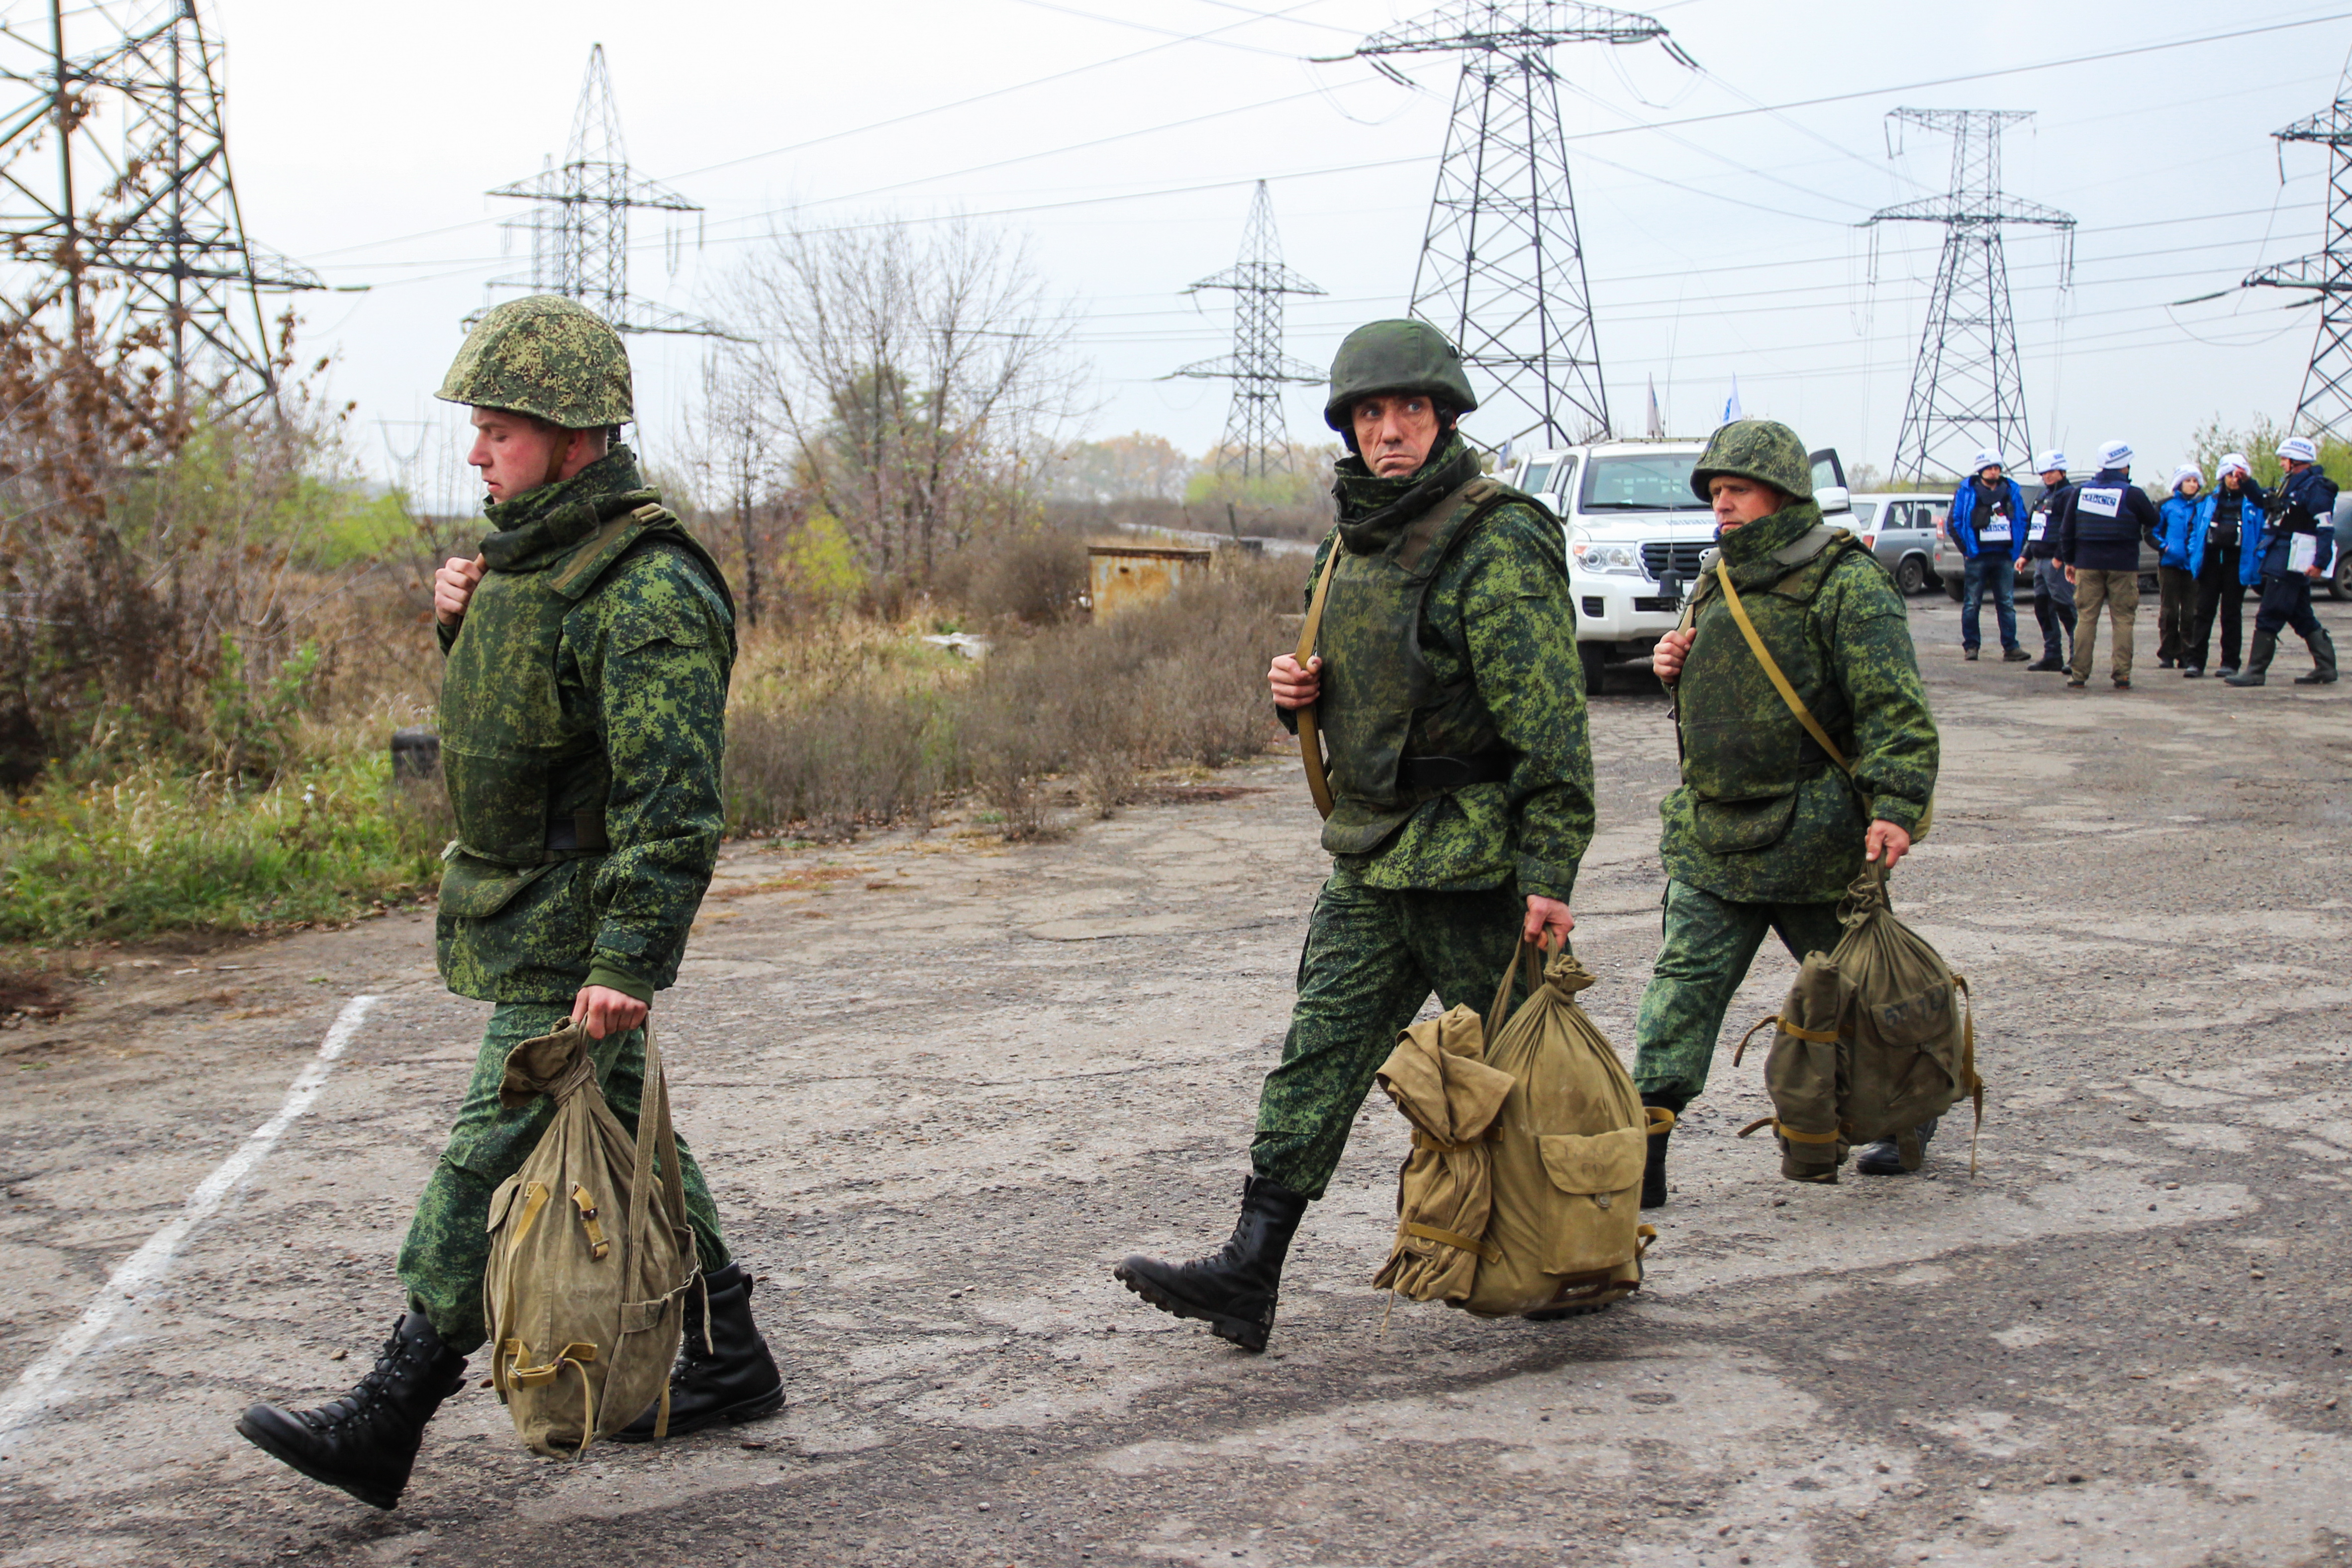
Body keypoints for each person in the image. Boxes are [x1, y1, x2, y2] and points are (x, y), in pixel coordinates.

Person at [235, 297, 784, 1510]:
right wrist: (458, 631)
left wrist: (631, 955)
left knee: (487, 1154)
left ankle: (389, 1409)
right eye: (478, 430)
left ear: (574, 436)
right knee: (626, 1127)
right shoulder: (527, 566)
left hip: (576, 933)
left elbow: (673, 803)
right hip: (525, 910)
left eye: (497, 430)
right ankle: (732, 1353)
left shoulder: (647, 591)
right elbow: (532, 734)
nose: (475, 452)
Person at [1113, 319, 1594, 1350]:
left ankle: (1591, 1240)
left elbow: (1552, 727)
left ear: (1446, 417)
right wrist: (1298, 694)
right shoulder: (1345, 545)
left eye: (1408, 410)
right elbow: (1349, 681)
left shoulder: (1496, 536)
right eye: (1369, 414)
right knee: (1316, 1055)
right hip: (1376, 855)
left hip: (1477, 861)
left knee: (1527, 1069)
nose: (1388, 431)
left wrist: (1551, 870)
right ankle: (1251, 1269)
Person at [1639, 420, 1940, 1194]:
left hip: (1815, 838)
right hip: (1714, 835)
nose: (1722, 507)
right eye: (1715, 494)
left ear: (1785, 493)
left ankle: (1908, 1117)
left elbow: (1893, 708)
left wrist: (1897, 805)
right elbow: (1721, 672)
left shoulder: (1848, 582)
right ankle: (1644, 1150)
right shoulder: (1717, 577)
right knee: (1680, 996)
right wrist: (1674, 662)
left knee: (1868, 992)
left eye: (1737, 491)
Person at [2225, 435, 2339, 686]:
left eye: (2284, 459)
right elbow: (2268, 503)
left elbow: (2325, 527)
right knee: (2301, 616)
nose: (2281, 464)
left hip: (2291, 559)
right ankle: (2326, 667)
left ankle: (2255, 671)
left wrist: (2320, 562)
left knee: (2270, 612)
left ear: (2296, 460)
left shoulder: (2315, 488)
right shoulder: (2291, 484)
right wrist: (2247, 484)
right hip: (2282, 556)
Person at [2056, 439, 2162, 690]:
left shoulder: (2081, 492)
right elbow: (2153, 519)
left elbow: (2066, 530)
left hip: (2088, 564)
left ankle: (2079, 674)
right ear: (2125, 465)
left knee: (2086, 619)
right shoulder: (2133, 494)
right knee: (2123, 619)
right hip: (2123, 565)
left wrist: (2070, 560)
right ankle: (2122, 675)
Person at [2184, 454, 2262, 678]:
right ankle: (2196, 662)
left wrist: (2258, 559)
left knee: (2231, 613)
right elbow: (2195, 530)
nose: (2234, 479)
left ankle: (2230, 662)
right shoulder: (2208, 501)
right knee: (2203, 613)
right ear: (2223, 476)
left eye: (2239, 475)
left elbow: (2262, 532)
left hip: (2237, 563)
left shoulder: (2253, 503)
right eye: (2230, 475)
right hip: (2210, 562)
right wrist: (2193, 555)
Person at [1946, 449, 2029, 662]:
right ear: (1981, 470)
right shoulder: (1967, 491)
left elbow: (2021, 519)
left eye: (1997, 468)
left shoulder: (2011, 491)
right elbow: (1954, 523)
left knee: (2007, 603)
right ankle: (1971, 647)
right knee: (1972, 603)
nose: (1994, 472)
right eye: (1990, 468)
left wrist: (2018, 548)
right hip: (1977, 557)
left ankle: (2011, 647)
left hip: (2003, 556)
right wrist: (1967, 551)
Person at [2018, 449, 2077, 672]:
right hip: (2040, 561)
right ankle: (2053, 655)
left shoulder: (2069, 495)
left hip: (2056, 563)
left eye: (2051, 472)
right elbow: (2034, 529)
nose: (2047, 477)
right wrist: (2026, 555)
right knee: (2042, 607)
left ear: (2062, 471)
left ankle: (2077, 656)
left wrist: (2061, 557)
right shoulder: (2043, 496)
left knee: (2066, 608)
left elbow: (2070, 530)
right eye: (2044, 473)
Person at [2155, 463, 2213, 670]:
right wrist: (2165, 547)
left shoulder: (2204, 506)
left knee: (2191, 612)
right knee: (2170, 612)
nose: (2192, 484)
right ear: (2179, 483)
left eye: (2195, 481)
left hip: (2194, 566)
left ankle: (2188, 653)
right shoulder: (2166, 505)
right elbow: (2152, 531)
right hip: (2170, 564)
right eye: (2188, 481)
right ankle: (2167, 653)